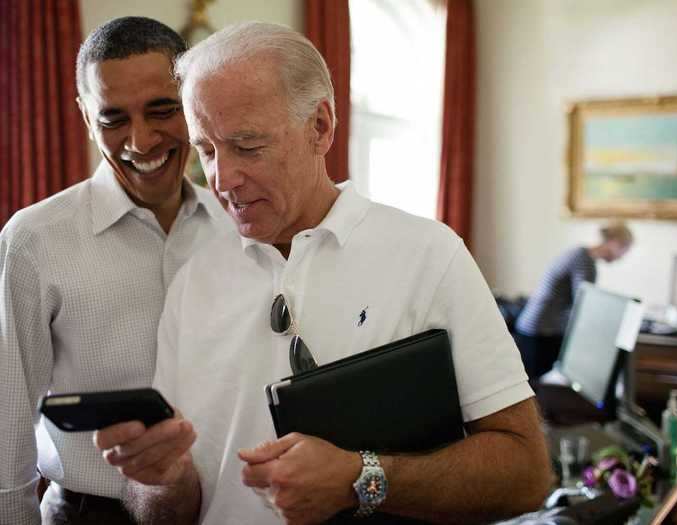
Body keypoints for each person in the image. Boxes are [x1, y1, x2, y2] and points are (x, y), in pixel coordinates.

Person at [93, 22, 552, 525]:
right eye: (206, 150)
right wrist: (159, 479)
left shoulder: (428, 254)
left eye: (247, 146)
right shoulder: (191, 284)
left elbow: (526, 474)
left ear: (321, 126)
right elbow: (167, 510)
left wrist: (362, 479)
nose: (223, 179)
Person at [0, 17, 230, 525]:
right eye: (113, 119)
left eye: (162, 110)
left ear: (193, 103)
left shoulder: (237, 228)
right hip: (90, 513)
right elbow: (5, 421)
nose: (141, 141)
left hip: (227, 508)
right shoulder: (34, 240)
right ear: (85, 117)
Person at [514, 222, 634, 381]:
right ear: (613, 241)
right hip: (540, 331)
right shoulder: (584, 261)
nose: (622, 256)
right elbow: (585, 304)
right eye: (623, 248)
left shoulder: (580, 254)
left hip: (537, 328)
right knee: (539, 388)